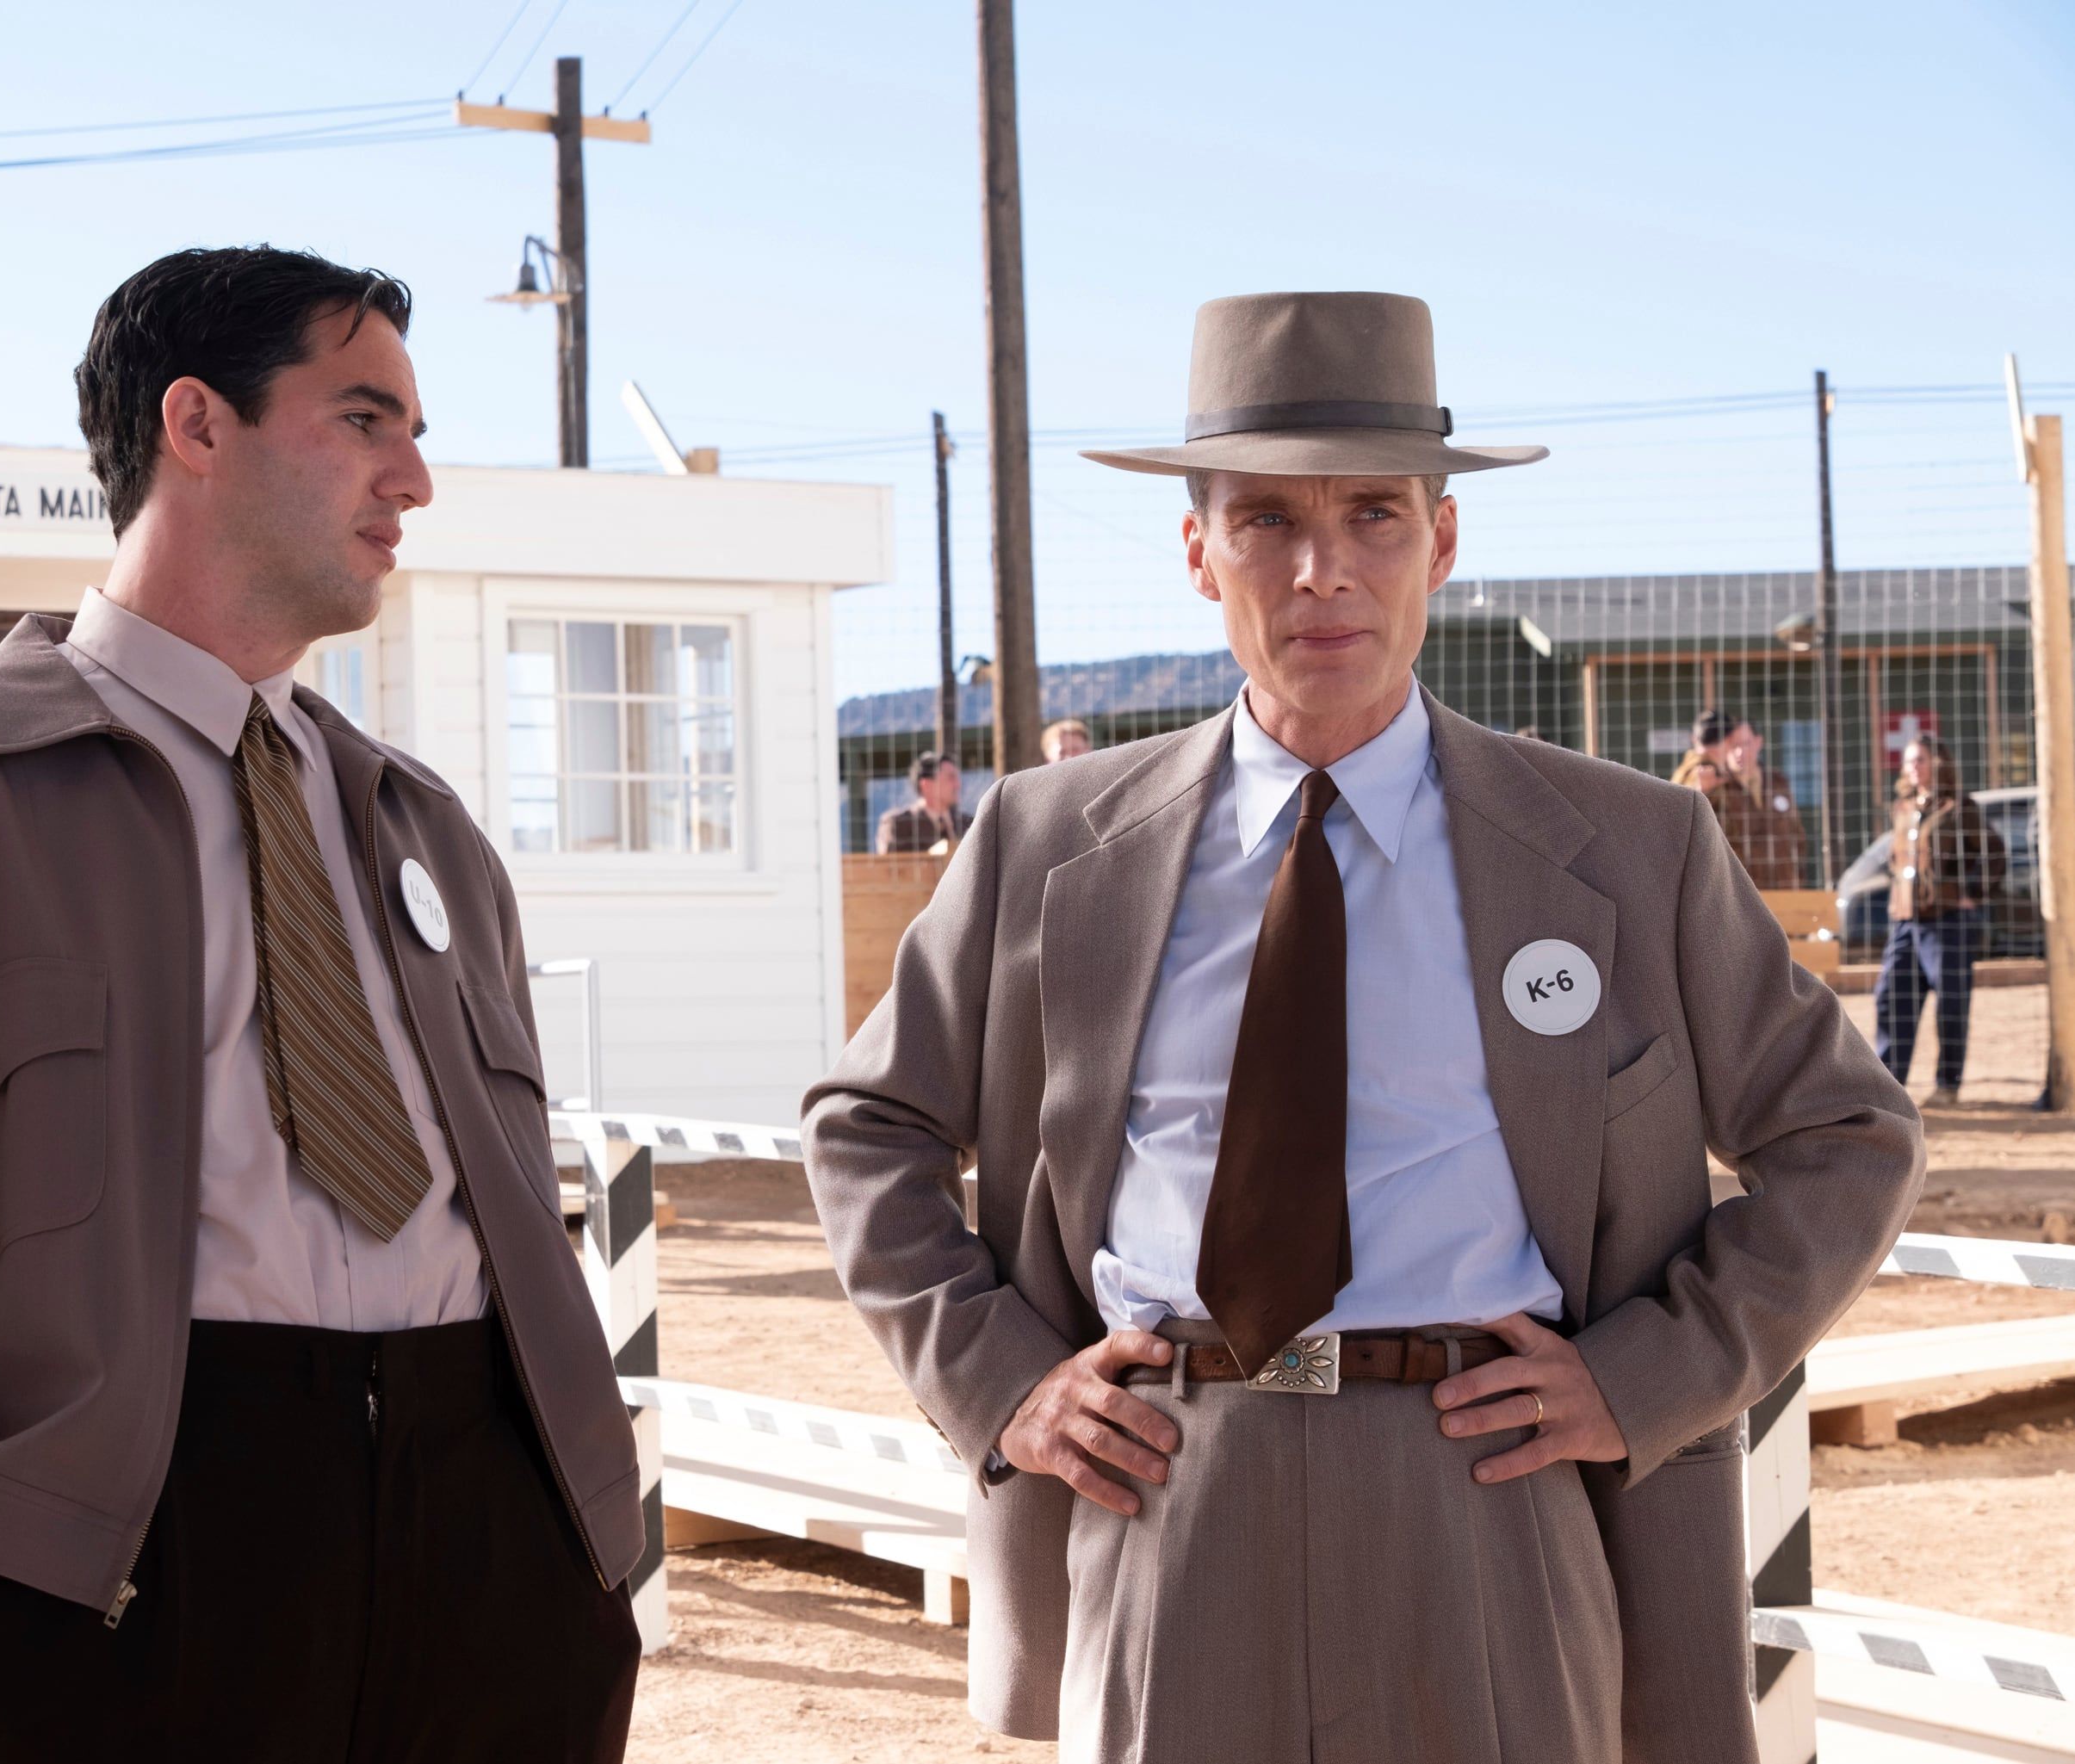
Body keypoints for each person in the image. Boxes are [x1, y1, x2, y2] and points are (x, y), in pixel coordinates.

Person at [802, 292, 1923, 1762]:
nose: (1322, 568)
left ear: (1440, 544)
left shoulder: (1623, 847)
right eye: (1265, 518)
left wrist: (1645, 1371)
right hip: (1163, 1483)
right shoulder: (1048, 840)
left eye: (1374, 516)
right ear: (1195, 550)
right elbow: (864, 1122)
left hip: (1486, 1492)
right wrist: (1000, 1377)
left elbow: (1843, 1134)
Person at [0, 246, 643, 1762]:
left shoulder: (424, 826)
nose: (414, 477)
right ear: (194, 425)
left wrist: (579, 1559)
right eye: (363, 418)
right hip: (113, 1602)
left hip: (499, 1573)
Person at [1875, 732, 2002, 1107]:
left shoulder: (1959, 807)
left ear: (1939, 763)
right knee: (1891, 996)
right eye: (1909, 760)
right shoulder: (1903, 807)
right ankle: (1889, 1084)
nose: (1913, 767)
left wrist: (1972, 893)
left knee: (1951, 1003)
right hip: (1906, 921)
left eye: (1921, 760)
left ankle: (1948, 1084)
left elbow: (1994, 853)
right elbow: (1894, 859)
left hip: (1948, 922)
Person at [1676, 709, 1807, 888]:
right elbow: (1684, 822)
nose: (1738, 752)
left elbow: (1797, 835)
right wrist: (1703, 791)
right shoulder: (1715, 784)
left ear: (1758, 742)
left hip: (1786, 888)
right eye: (1733, 745)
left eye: (1744, 744)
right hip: (1739, 893)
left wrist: (1797, 878)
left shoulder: (1778, 782)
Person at [875, 751, 966, 853]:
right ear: (926, 785)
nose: (958, 785)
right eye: (951, 778)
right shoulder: (898, 826)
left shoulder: (969, 824)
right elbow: (891, 867)